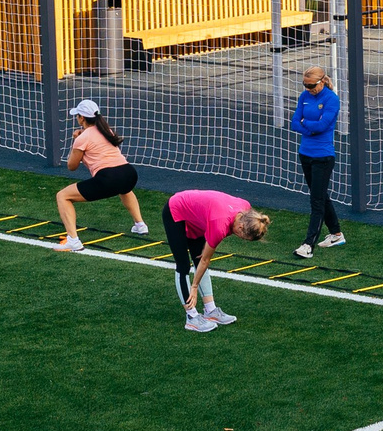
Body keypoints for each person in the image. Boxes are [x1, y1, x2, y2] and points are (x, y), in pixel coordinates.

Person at [163, 187, 271, 332]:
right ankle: (191, 317)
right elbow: (205, 260)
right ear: (240, 226)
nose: (241, 238)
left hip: (198, 219)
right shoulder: (220, 225)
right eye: (243, 236)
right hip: (176, 211)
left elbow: (203, 260)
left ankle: (210, 310)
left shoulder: (246, 210)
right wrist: (193, 287)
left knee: (198, 259)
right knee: (183, 265)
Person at [56, 99, 146, 251]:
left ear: (82, 118)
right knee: (123, 188)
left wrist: (76, 142)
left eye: (77, 115)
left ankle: (73, 240)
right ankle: (140, 225)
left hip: (108, 178)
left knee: (62, 196)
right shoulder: (106, 131)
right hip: (129, 174)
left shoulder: (82, 138)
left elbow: (71, 166)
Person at [290, 65, 344, 258]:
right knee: (319, 195)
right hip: (305, 153)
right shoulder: (304, 96)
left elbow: (322, 126)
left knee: (316, 201)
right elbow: (294, 122)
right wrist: (309, 127)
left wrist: (307, 125)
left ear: (322, 82)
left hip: (323, 156)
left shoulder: (331, 99)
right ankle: (336, 234)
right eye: (305, 85)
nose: (308, 88)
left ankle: (308, 245)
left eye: (311, 85)